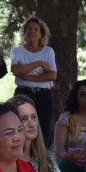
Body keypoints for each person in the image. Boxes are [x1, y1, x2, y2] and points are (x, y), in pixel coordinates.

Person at [11, 16, 57, 148]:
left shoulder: (48, 51)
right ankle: (22, 161)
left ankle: (43, 164)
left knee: (43, 131)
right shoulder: (17, 51)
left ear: (42, 33)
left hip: (44, 95)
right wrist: (39, 63)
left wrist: (26, 75)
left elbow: (52, 75)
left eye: (36, 29)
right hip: (23, 94)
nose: (32, 31)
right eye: (29, 28)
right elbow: (16, 71)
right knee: (22, 128)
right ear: (24, 32)